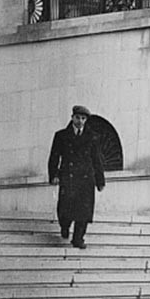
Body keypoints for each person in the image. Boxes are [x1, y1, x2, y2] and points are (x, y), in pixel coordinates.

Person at [47, 105, 105, 249]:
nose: (80, 121)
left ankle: (78, 238)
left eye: (83, 118)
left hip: (86, 178)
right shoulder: (61, 136)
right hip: (68, 176)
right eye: (78, 117)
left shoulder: (93, 137)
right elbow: (54, 157)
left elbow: (97, 159)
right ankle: (65, 226)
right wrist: (54, 174)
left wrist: (100, 180)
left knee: (84, 211)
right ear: (72, 117)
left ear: (86, 120)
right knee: (65, 208)